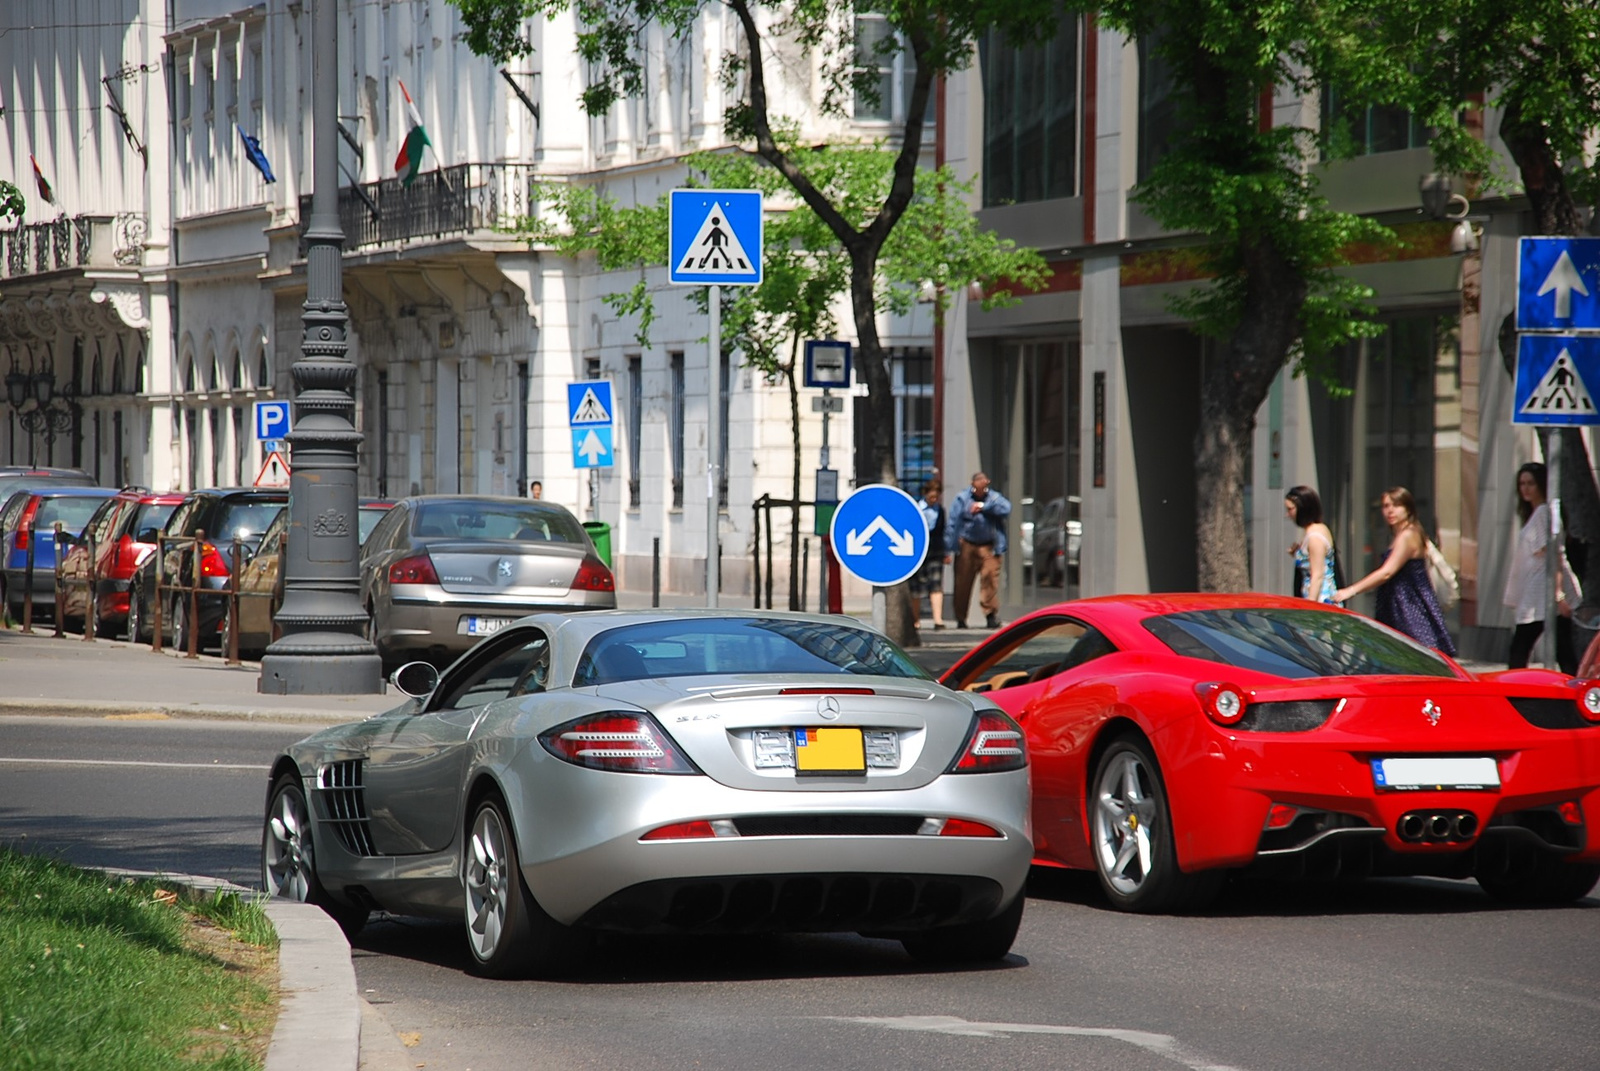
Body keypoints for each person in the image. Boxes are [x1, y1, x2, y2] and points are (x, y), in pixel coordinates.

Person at [1334, 486, 1456, 655]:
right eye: (1386, 506)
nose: (1390, 511)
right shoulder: (1404, 534)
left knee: (1414, 656)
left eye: (1396, 505)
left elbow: (1387, 572)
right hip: (1400, 604)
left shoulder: (1408, 535)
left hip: (1410, 607)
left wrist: (1351, 590)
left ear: (1408, 508)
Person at [1503, 461, 1581, 674]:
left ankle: (1514, 691)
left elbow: (1554, 555)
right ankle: (1575, 688)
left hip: (1540, 593)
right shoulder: (1538, 513)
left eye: (1531, 483)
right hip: (1538, 590)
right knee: (1562, 649)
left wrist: (1558, 593)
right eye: (1522, 483)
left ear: (1541, 485)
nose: (1526, 488)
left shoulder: (1543, 513)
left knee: (1521, 647)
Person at [944, 471, 1011, 629]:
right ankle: (961, 618)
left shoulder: (994, 498)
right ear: (972, 484)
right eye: (978, 484)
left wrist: (983, 507)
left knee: (990, 580)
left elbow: (1007, 509)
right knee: (963, 583)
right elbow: (952, 522)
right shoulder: (962, 498)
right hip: (967, 545)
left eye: (984, 484)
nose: (982, 487)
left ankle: (990, 615)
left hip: (989, 546)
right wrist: (948, 548)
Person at [1284, 485, 1340, 604]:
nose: (1288, 515)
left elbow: (1318, 575)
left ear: (1302, 508)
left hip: (1321, 601)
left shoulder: (1315, 536)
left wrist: (1310, 605)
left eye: (1290, 509)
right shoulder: (1312, 531)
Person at [913, 480, 949, 629]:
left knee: (936, 584)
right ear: (925, 494)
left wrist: (946, 551)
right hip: (918, 552)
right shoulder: (916, 509)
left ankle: (938, 620)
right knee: (916, 588)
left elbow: (943, 532)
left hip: (935, 551)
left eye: (936, 497)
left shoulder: (940, 510)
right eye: (931, 496)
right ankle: (915, 621)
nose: (934, 499)